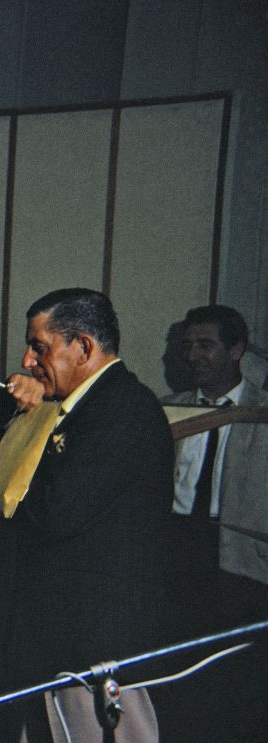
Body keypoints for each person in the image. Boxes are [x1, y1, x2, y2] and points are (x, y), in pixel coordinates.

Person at [0, 288, 173, 742]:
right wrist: (7, 402)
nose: (28, 360)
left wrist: (3, 487)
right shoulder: (57, 408)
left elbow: (57, 511)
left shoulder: (123, 409)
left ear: (83, 346)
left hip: (97, 648)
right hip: (48, 642)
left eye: (39, 347)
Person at [158, 304, 268, 741]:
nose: (193, 355)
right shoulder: (171, 410)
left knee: (235, 675)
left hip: (241, 559)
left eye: (207, 344)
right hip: (176, 551)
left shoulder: (261, 414)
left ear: (237, 348)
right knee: (176, 666)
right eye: (188, 346)